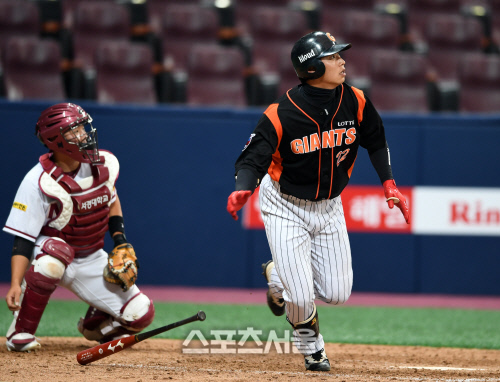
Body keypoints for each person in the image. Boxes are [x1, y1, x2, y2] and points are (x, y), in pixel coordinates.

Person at [226, 31, 410, 371]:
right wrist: (243, 187)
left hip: (329, 206)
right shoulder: (281, 113)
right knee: (299, 298)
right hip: (284, 205)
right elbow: (251, 159)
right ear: (311, 68)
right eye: (333, 56)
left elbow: (376, 139)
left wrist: (389, 182)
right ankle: (312, 347)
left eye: (340, 54)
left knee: (338, 293)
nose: (342, 60)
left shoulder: (355, 100)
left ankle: (275, 274)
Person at [3, 103, 155, 352]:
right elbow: (23, 239)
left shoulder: (102, 165)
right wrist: (14, 283)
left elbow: (112, 201)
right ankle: (21, 332)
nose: (84, 134)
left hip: (91, 256)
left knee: (141, 314)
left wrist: (121, 241)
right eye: (74, 130)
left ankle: (95, 325)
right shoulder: (37, 181)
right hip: (50, 251)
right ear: (56, 140)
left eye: (83, 127)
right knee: (54, 258)